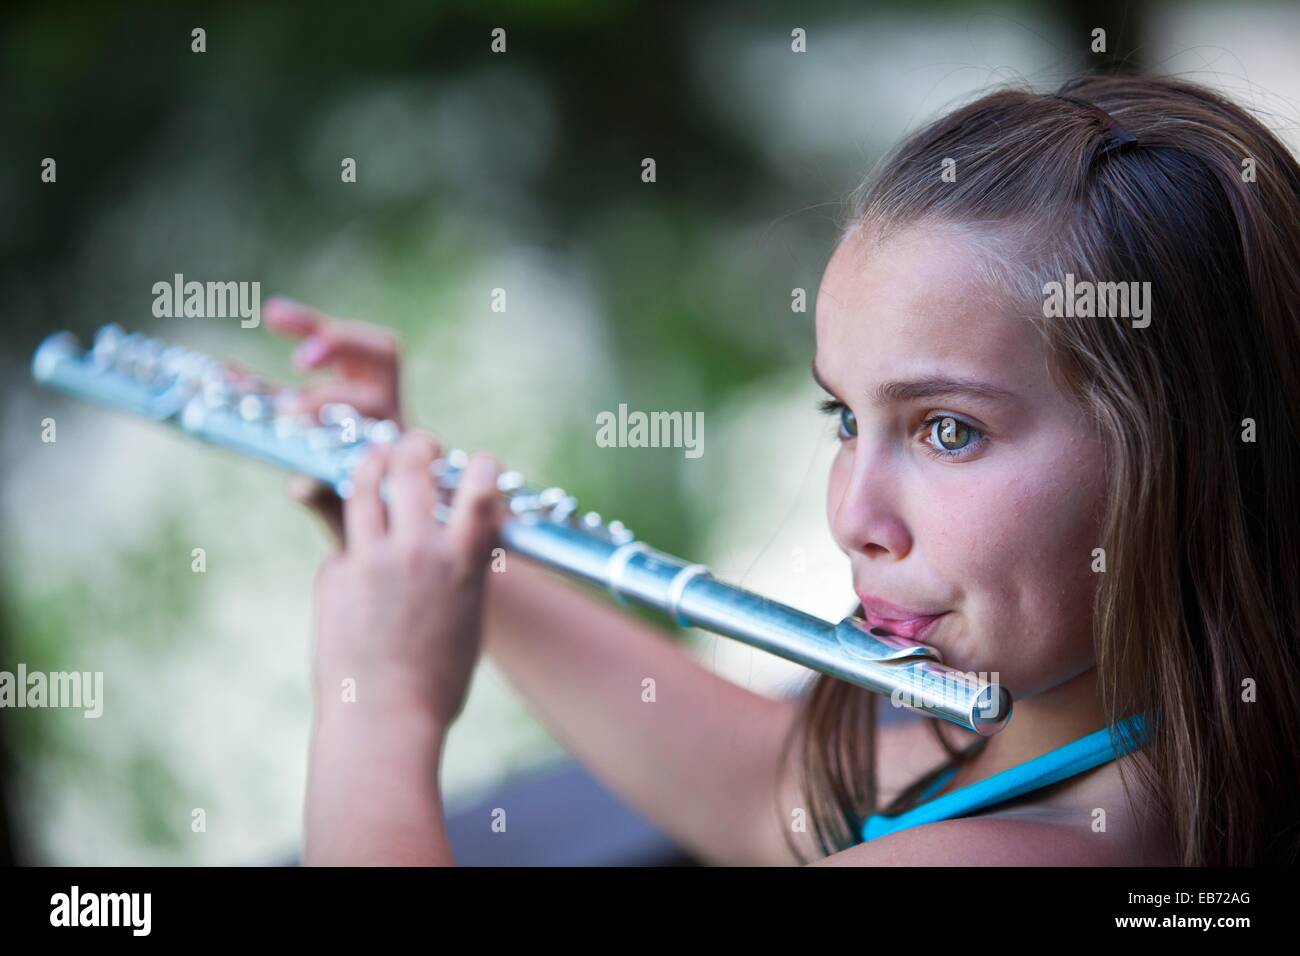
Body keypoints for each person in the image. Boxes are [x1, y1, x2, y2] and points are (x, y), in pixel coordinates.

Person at [267, 73, 1300, 866]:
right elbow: (768, 787)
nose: (854, 515)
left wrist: (379, 708)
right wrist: (442, 533)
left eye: (947, 430)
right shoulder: (1107, 736)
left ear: (1182, 455)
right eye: (844, 416)